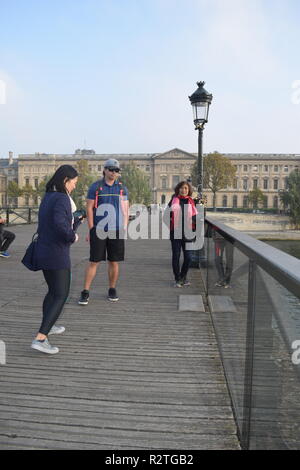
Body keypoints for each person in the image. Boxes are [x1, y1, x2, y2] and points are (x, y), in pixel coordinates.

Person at [30, 165, 80, 355]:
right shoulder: (62, 198)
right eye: (74, 183)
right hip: (56, 253)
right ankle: (41, 338)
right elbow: (60, 225)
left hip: (44, 249)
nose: (74, 187)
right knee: (61, 294)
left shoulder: (49, 196)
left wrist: (76, 221)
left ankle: (48, 326)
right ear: (66, 180)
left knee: (52, 291)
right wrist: (72, 236)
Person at [78, 158, 129, 305]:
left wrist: (124, 227)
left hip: (116, 229)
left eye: (116, 170)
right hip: (99, 229)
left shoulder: (122, 189)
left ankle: (112, 289)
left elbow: (125, 209)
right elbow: (89, 208)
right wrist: (91, 228)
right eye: (111, 169)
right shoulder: (95, 187)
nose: (113, 173)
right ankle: (85, 291)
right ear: (105, 170)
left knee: (113, 261)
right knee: (94, 261)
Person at [163, 181, 198, 287]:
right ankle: (177, 279)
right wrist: (173, 226)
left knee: (189, 257)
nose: (184, 190)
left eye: (186, 188)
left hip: (188, 233)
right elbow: (165, 217)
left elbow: (195, 217)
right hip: (176, 233)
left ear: (189, 190)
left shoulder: (191, 202)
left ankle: (183, 277)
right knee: (176, 257)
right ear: (178, 189)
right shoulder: (173, 201)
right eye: (182, 188)